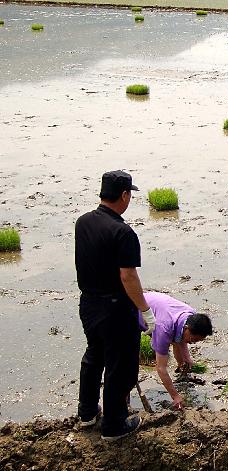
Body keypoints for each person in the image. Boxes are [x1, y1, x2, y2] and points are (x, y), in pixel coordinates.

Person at [75, 170, 151, 441]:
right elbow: (127, 275)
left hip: (88, 303)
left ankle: (86, 413)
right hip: (115, 307)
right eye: (130, 194)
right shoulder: (123, 232)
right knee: (119, 366)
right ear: (124, 195)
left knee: (94, 356)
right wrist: (145, 310)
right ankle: (114, 425)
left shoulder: (82, 222)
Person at [139, 292, 213, 409]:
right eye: (193, 339)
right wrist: (175, 396)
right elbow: (161, 368)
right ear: (187, 328)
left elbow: (180, 338)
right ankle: (123, 402)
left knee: (180, 340)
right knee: (127, 361)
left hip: (156, 306)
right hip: (134, 310)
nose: (192, 343)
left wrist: (186, 358)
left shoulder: (190, 315)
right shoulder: (164, 329)